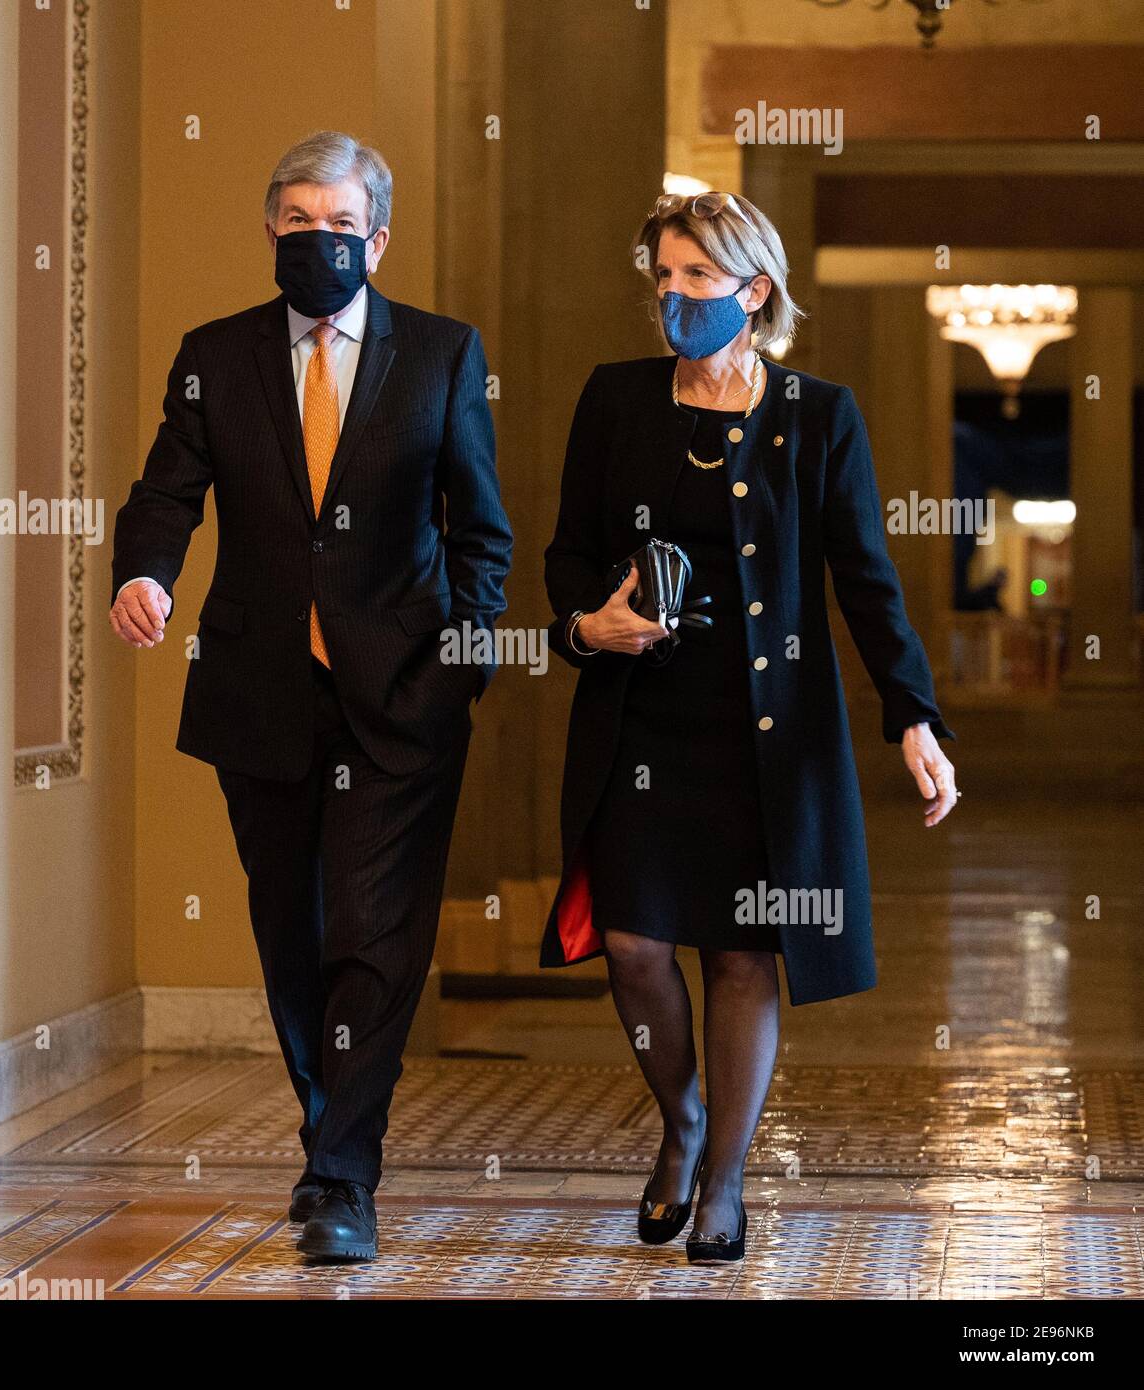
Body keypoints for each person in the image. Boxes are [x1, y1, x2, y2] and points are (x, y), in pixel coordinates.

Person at [109, 131, 512, 1263]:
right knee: (295, 932)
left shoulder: (439, 354)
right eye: (297, 221)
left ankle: (342, 1175)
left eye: (340, 226)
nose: (318, 241)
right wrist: (143, 572)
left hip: (403, 697)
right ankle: (327, 1136)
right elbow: (164, 492)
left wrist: (461, 658)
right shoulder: (216, 354)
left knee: (375, 936)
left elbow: (481, 533)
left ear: (377, 239)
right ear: (270, 228)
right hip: (260, 693)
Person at [540, 189, 958, 1263]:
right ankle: (679, 1116)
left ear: (753, 291)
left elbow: (865, 581)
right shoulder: (616, 400)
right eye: (663, 276)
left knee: (738, 955)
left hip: (766, 730)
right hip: (640, 719)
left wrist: (912, 717)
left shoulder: (820, 415)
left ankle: (721, 1176)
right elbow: (566, 554)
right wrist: (590, 624)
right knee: (632, 945)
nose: (670, 296)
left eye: (693, 278)